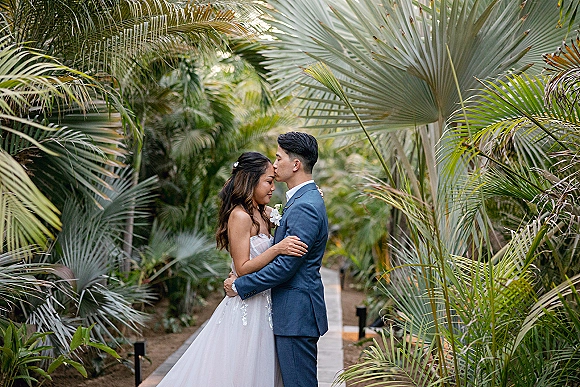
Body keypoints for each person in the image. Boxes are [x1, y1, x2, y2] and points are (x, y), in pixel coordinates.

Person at [156, 151, 308, 387]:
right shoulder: (239, 216)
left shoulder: (266, 213)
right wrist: (277, 249)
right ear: (250, 180)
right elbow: (243, 267)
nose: (272, 188)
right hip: (247, 305)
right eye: (268, 181)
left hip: (268, 301)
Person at [225, 131, 329, 387]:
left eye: (278, 157)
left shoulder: (305, 205)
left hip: (296, 314)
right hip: (288, 313)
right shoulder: (301, 200)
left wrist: (240, 285)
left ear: (295, 165)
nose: (274, 164)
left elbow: (285, 267)